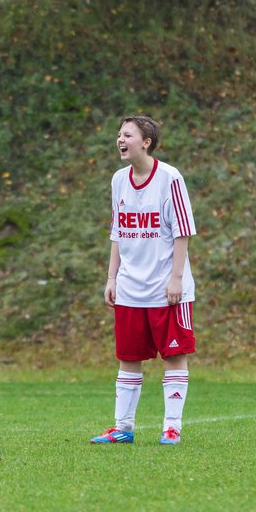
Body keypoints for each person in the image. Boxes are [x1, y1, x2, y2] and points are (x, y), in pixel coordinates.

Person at [91, 115, 197, 446]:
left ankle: (171, 427)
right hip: (130, 288)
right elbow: (117, 232)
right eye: (118, 135)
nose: (120, 140)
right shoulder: (118, 180)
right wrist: (111, 278)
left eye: (127, 135)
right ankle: (123, 427)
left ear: (145, 142)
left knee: (174, 356)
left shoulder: (169, 178)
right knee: (129, 357)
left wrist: (176, 279)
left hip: (166, 288)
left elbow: (183, 232)